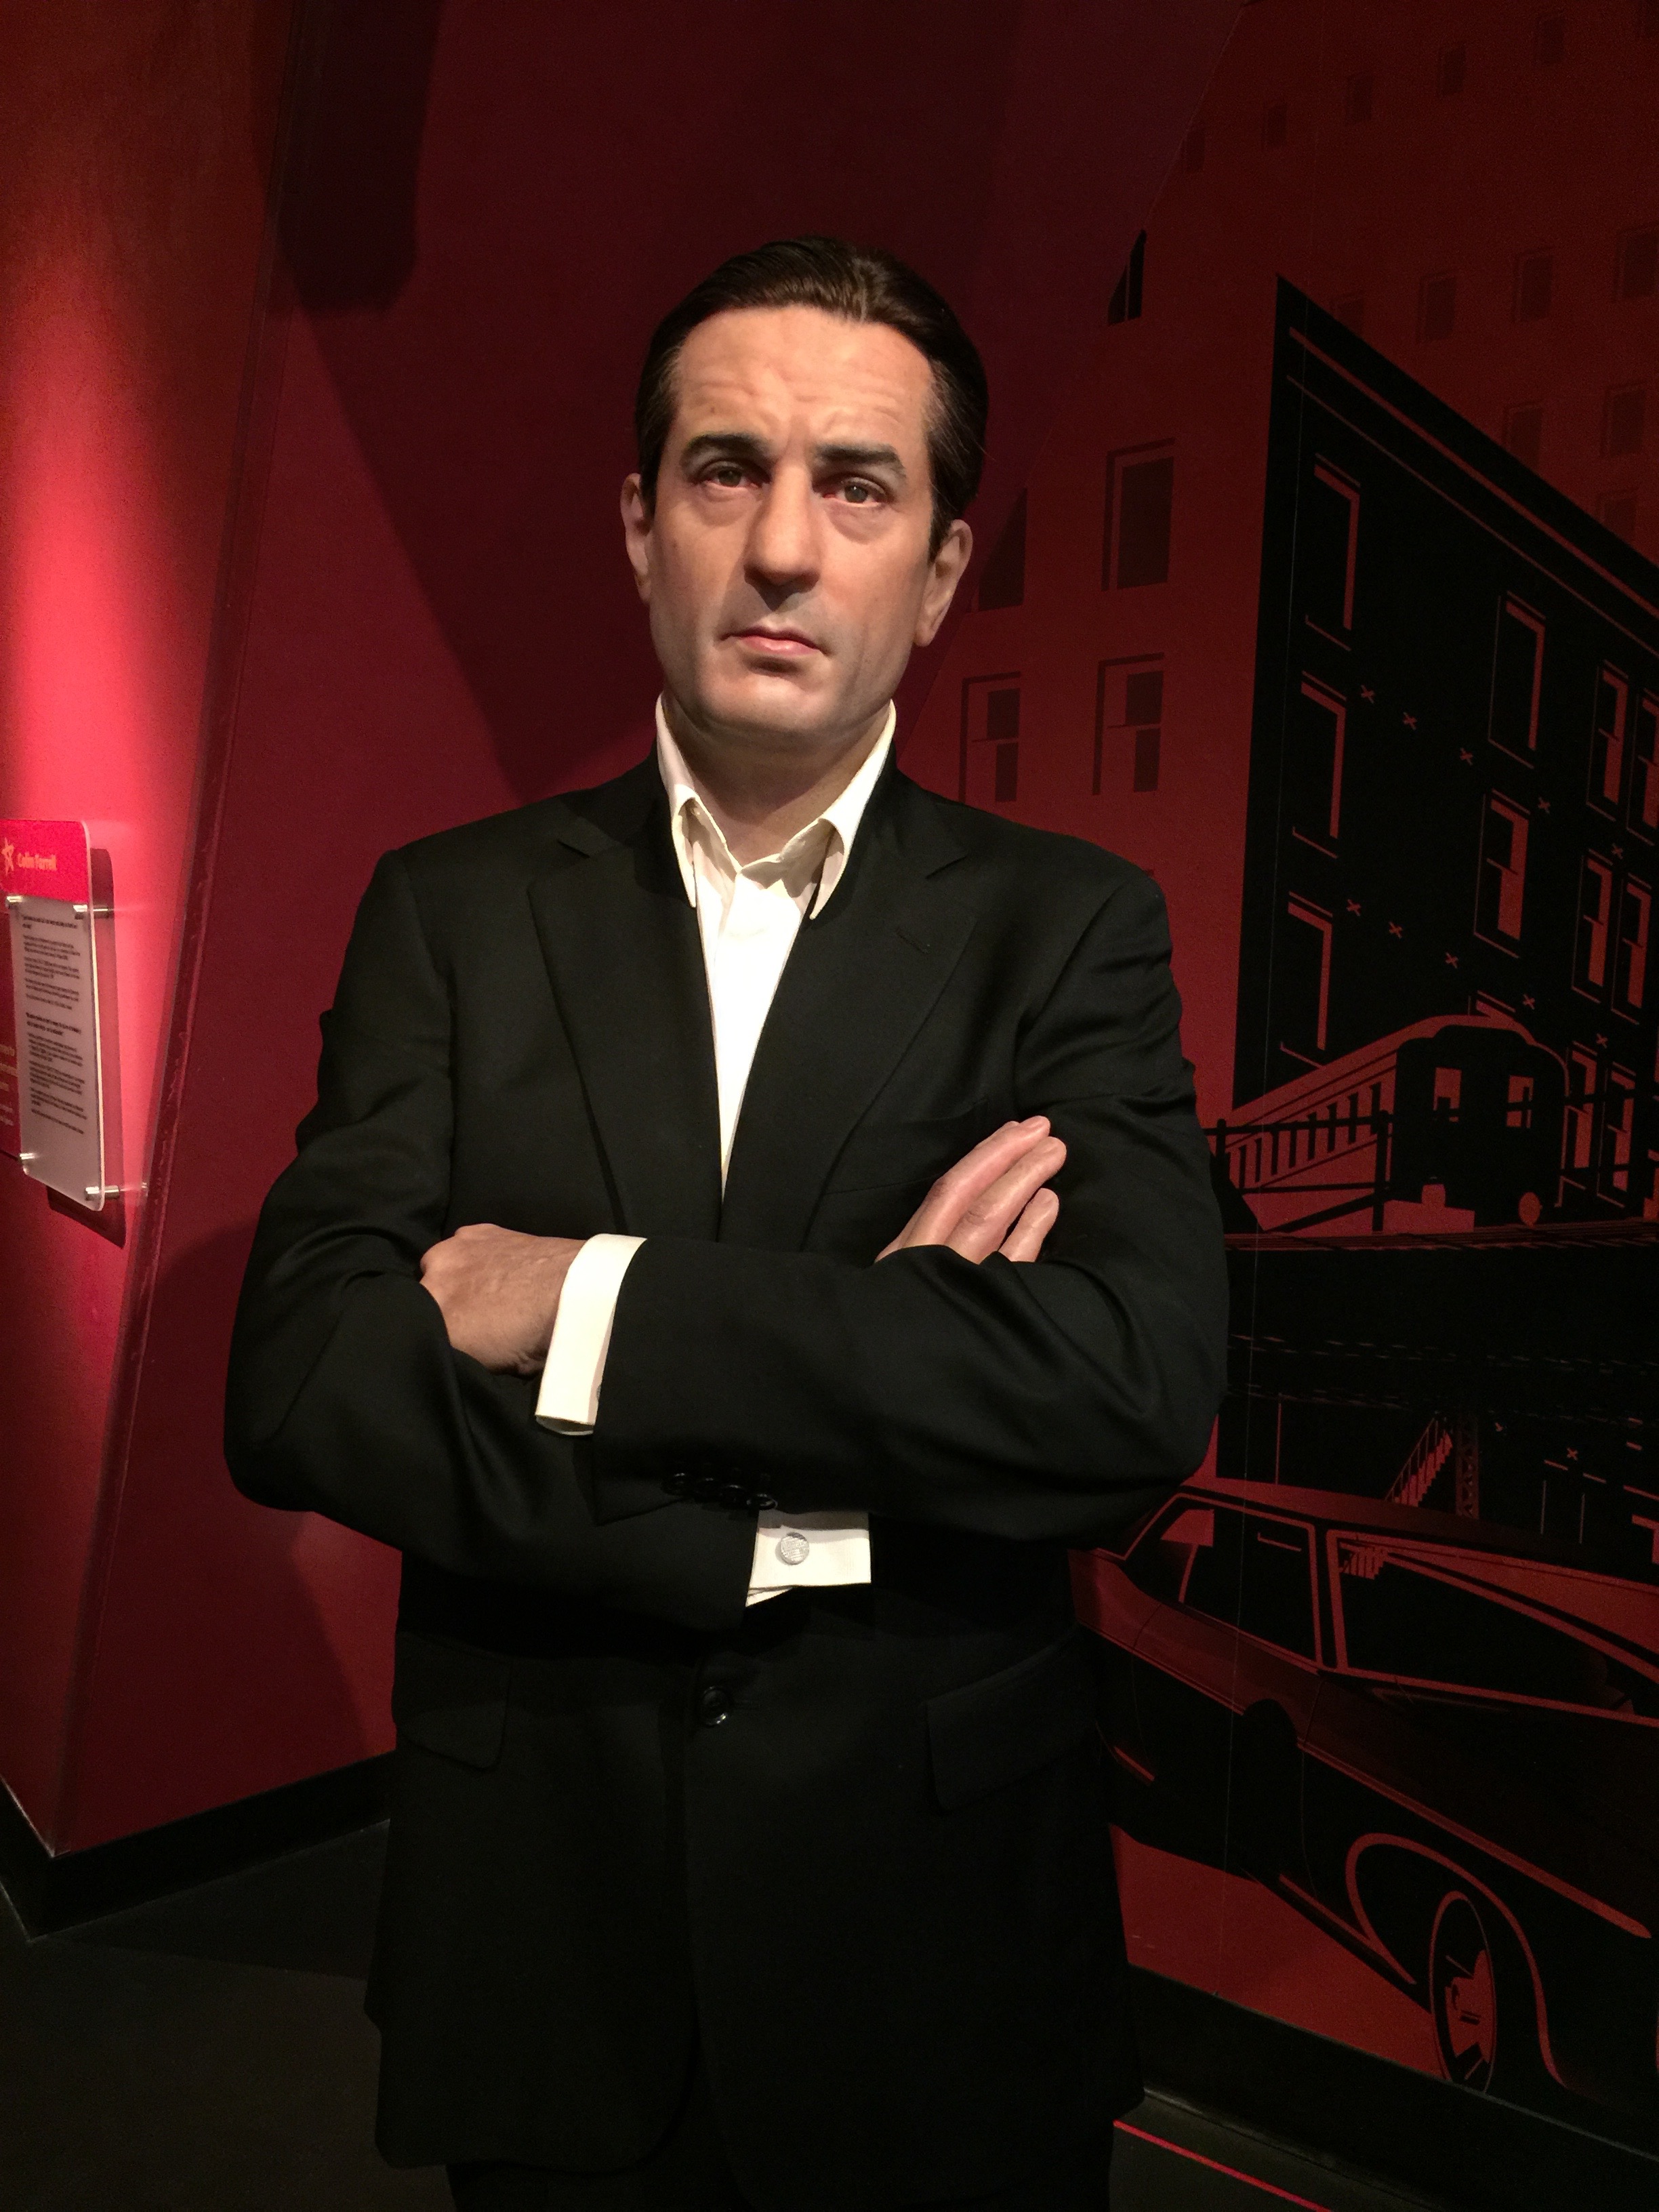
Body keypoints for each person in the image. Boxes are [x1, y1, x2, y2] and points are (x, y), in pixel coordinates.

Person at [226, 235, 1227, 2212]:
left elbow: (1128, 1392)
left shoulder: (1067, 930)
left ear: (939, 567)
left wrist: (586, 1297)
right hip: (550, 1923)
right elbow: (303, 1373)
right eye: (724, 471)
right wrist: (854, 1401)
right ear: (640, 526)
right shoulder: (452, 909)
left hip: (931, 1938)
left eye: (856, 486)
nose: (781, 546)